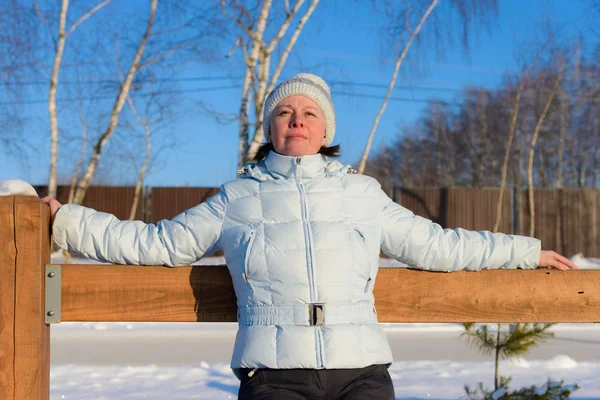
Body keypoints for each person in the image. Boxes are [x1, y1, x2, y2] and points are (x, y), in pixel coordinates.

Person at [43, 73, 578, 400]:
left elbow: (441, 245)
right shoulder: (236, 198)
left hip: (362, 375)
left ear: (326, 131)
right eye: (284, 112)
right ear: (272, 129)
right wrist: (66, 219)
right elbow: (155, 244)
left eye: (309, 112)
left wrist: (525, 250)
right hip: (274, 379)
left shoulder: (363, 194)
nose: (296, 119)